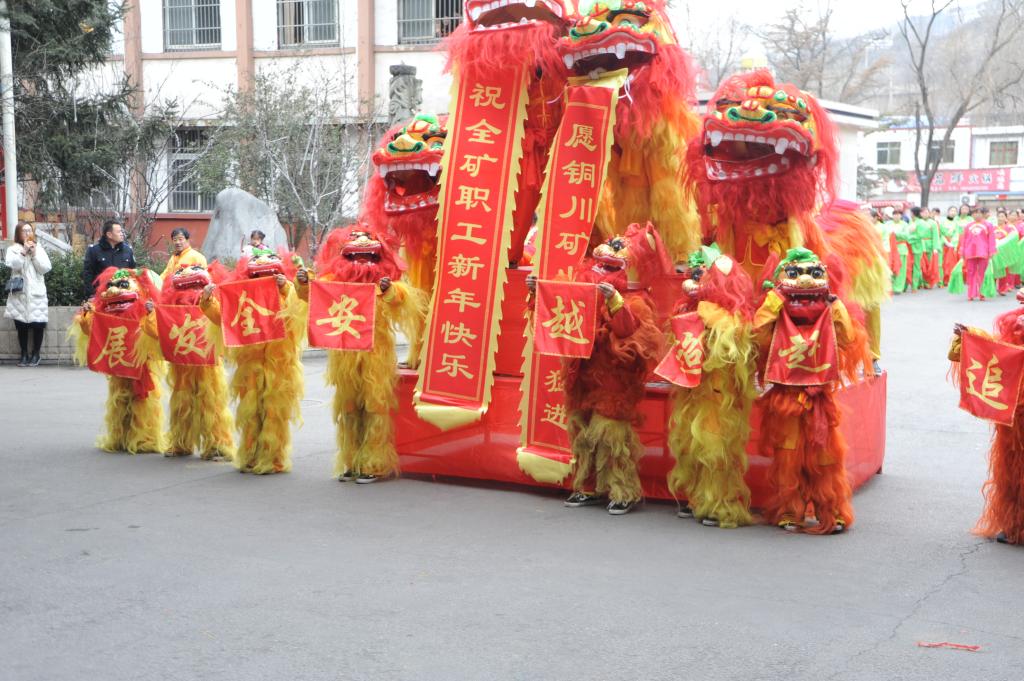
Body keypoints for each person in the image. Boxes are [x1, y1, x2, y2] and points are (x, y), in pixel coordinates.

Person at [754, 248, 872, 534]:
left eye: (814, 273)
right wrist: (773, 303)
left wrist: (836, 306)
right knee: (788, 456)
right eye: (795, 274)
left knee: (825, 457)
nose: (805, 280)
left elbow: (846, 338)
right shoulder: (778, 311)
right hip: (785, 399)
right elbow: (758, 337)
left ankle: (830, 510)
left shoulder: (829, 312)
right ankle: (789, 510)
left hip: (820, 400)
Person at [949, 297, 1024, 545]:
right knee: (1014, 474)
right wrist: (972, 337)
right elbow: (999, 353)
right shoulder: (1015, 322)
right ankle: (1016, 524)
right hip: (1016, 418)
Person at [4, 222, 52, 366]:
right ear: (18, 233)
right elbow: (13, 265)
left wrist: (34, 254)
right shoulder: (12, 249)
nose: (27, 233)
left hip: (37, 293)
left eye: (29, 230)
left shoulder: (39, 248)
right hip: (20, 293)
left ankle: (36, 354)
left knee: (38, 324)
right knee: (21, 326)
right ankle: (24, 354)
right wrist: (23, 252)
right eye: (24, 231)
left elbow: (45, 268)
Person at [83, 220, 136, 298]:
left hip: (124, 295)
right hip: (101, 296)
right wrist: (91, 295)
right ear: (109, 235)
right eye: (119, 232)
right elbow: (88, 275)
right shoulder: (94, 251)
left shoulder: (128, 250)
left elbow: (133, 273)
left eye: (122, 231)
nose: (122, 234)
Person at [960, 205, 997, 301]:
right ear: (972, 215)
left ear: (983, 214)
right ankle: (971, 294)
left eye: (979, 213)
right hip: (970, 252)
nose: (977, 215)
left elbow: (991, 239)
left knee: (982, 273)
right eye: (974, 213)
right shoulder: (968, 226)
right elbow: (964, 239)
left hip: (983, 252)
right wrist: (962, 251)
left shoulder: (988, 225)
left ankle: (982, 293)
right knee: (970, 272)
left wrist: (991, 251)